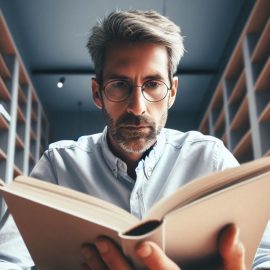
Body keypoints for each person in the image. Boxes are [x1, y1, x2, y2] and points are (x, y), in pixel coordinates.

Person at [0, 9, 270, 270]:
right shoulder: (59, 166)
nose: (137, 107)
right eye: (119, 85)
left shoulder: (211, 159)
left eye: (153, 84)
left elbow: (265, 257)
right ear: (97, 93)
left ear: (172, 92)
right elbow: (7, 261)